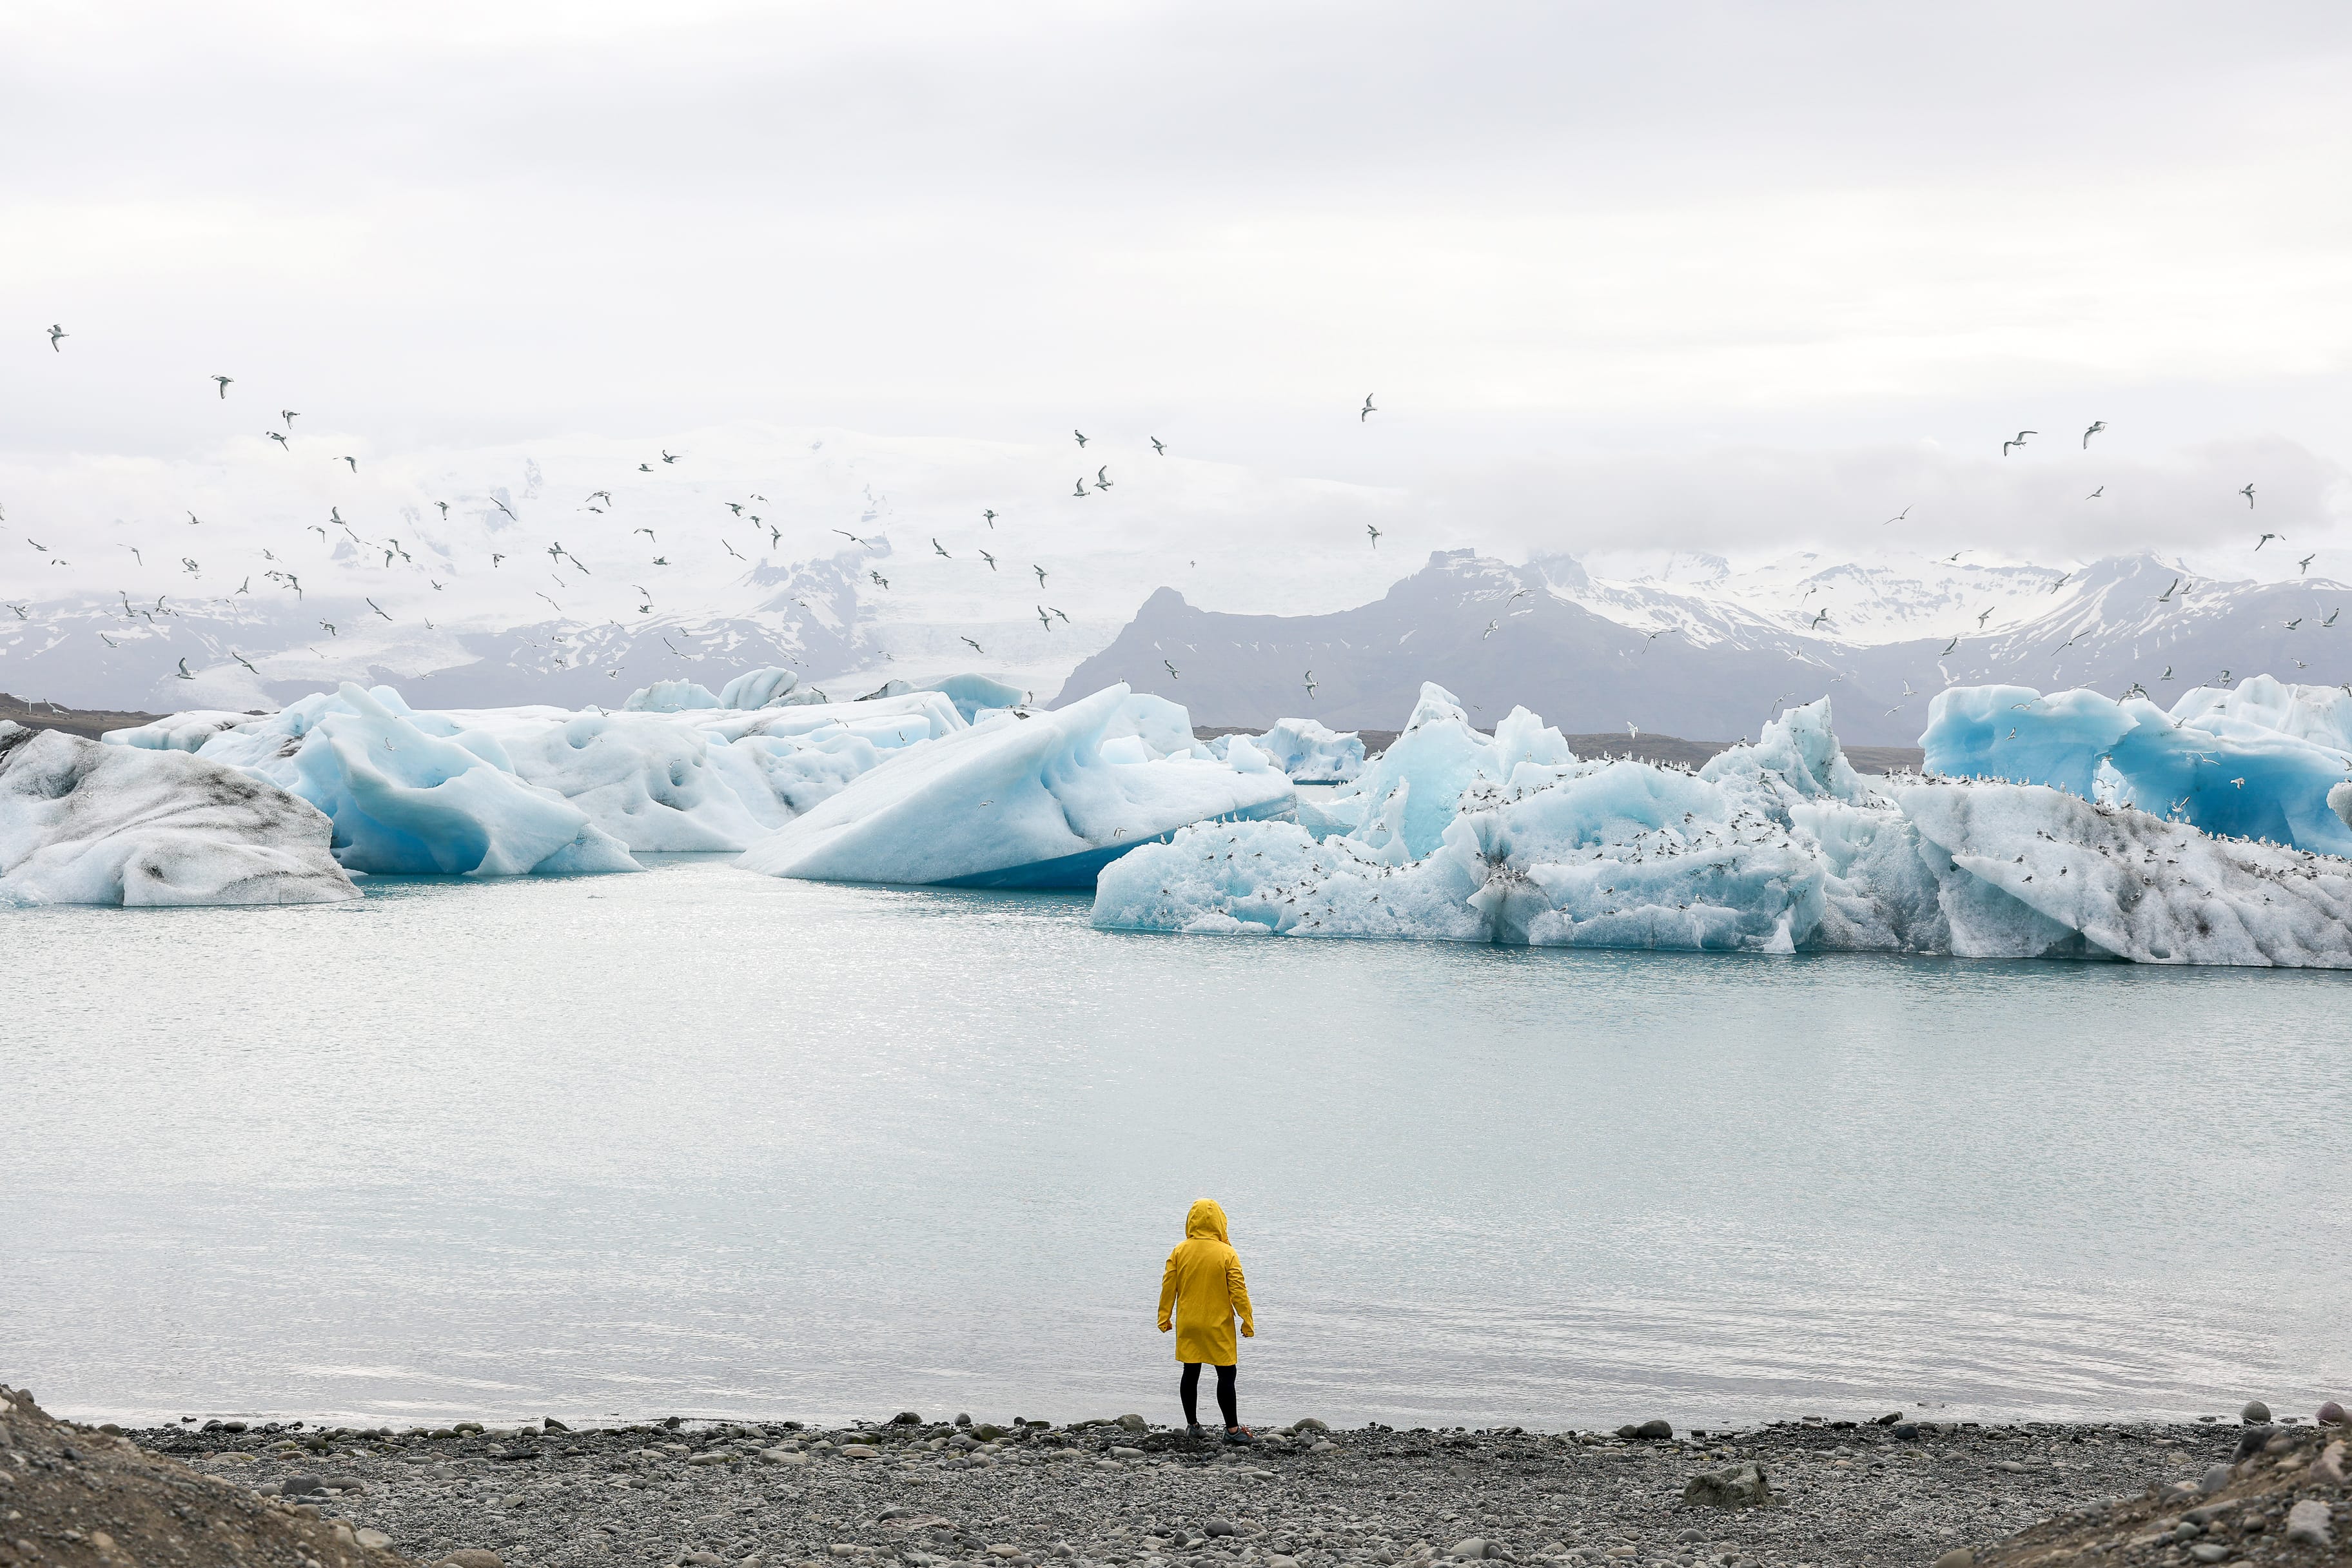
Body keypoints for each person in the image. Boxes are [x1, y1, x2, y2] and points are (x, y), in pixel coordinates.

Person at [1157, 1197, 1255, 1442]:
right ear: (1220, 1222)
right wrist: (1247, 1320)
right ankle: (1232, 1430)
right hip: (1217, 1324)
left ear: (1191, 1221)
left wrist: (1164, 1317)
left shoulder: (1180, 1250)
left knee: (1190, 1372)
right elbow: (1238, 1291)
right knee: (1226, 1375)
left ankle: (1192, 1425)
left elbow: (1169, 1286)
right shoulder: (1227, 1253)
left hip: (1189, 1323)